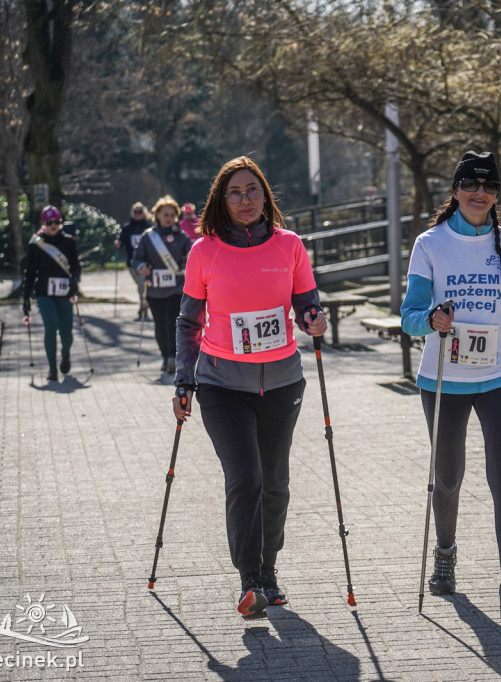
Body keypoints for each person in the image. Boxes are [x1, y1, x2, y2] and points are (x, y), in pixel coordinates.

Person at [171, 156, 328, 618]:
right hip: (222, 385)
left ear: (265, 196)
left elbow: (307, 305)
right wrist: (184, 381)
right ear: (221, 200)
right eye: (235, 192)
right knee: (246, 479)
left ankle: (269, 571)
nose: (245, 200)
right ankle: (249, 580)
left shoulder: (289, 246)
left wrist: (315, 321)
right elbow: (188, 322)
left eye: (252, 190)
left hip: (281, 383)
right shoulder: (205, 251)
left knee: (275, 484)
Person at [400, 151, 501, 621]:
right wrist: (431, 318)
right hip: (444, 376)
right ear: (456, 191)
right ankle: (445, 553)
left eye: (488, 186)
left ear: (497, 194)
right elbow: (409, 317)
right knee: (447, 477)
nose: (479, 193)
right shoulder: (430, 243)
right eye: (471, 185)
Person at [132, 196, 193, 375]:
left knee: (172, 322)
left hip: (175, 289)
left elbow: (191, 255)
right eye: (165, 214)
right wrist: (142, 267)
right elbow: (137, 258)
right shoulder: (148, 237)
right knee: (160, 325)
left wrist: (188, 262)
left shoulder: (182, 237)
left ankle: (173, 356)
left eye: (172, 215)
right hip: (155, 290)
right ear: (157, 215)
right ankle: (165, 356)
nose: (168, 218)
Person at [22, 205, 81, 382]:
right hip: (43, 293)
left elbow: (76, 267)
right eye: (49, 222)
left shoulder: (69, 242)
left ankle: (65, 354)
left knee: (66, 331)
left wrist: (75, 282)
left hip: (64, 292)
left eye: (56, 221)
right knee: (51, 325)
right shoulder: (36, 245)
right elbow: (30, 272)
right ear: (43, 223)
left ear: (60, 222)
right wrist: (25, 297)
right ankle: (52, 368)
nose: (53, 225)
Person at [115, 201, 153, 320]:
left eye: (139, 212)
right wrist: (117, 243)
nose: (137, 214)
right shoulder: (127, 228)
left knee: (142, 286)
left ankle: (143, 310)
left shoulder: (148, 227)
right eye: (135, 212)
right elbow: (121, 241)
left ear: (144, 213)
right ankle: (145, 304)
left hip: (144, 263)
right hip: (131, 263)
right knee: (140, 287)